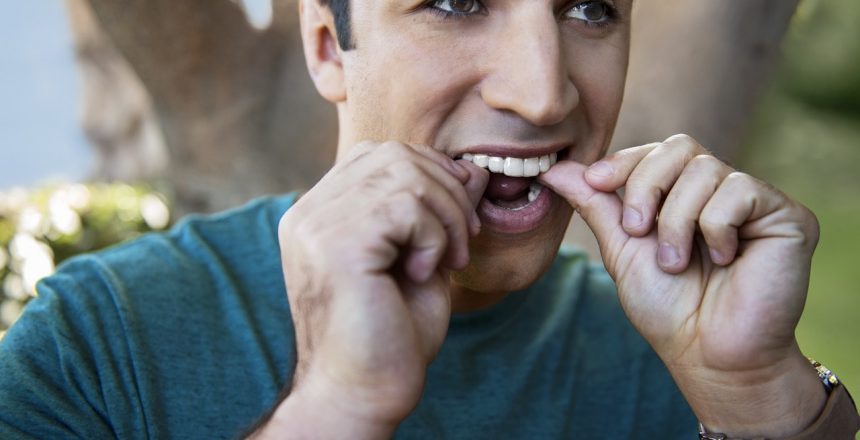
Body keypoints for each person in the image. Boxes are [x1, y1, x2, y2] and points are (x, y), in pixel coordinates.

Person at [1, 0, 858, 438]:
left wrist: (755, 401)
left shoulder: (678, 362)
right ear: (329, 47)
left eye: (590, 7)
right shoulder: (91, 346)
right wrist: (334, 409)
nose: (544, 90)